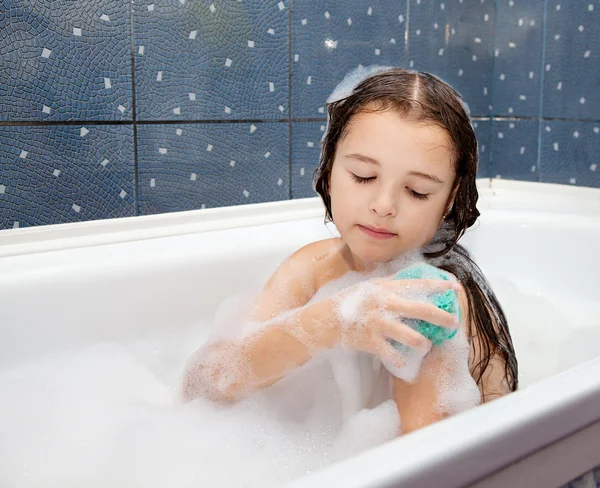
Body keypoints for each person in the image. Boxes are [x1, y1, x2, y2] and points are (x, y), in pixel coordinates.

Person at [180, 67, 518, 435]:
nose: (384, 204)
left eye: (417, 191)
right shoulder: (311, 266)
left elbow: (424, 451)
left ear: (448, 201)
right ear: (328, 170)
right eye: (363, 176)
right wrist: (327, 323)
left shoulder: (432, 296)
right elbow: (205, 385)